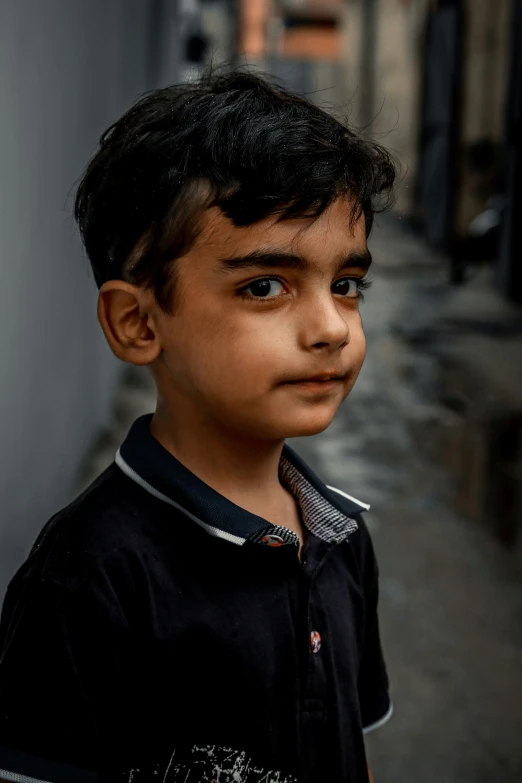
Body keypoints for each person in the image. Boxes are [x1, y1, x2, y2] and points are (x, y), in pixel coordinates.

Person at [0, 69, 396, 783]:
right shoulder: (89, 576)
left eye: (346, 284)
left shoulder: (340, 536)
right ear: (139, 322)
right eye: (264, 286)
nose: (332, 327)